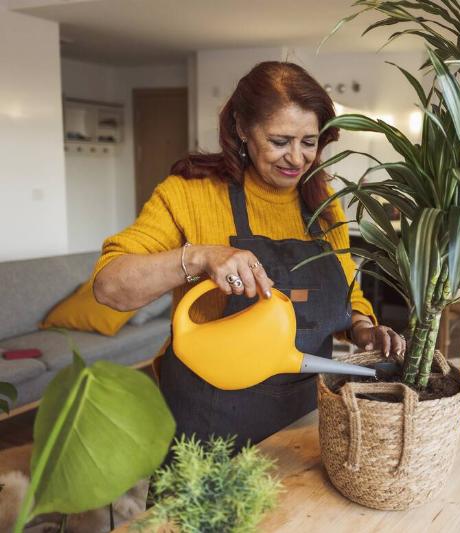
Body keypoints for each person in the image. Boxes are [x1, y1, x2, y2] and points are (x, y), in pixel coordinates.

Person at [92, 61, 405, 452]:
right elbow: (109, 287)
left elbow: (345, 291)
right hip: (209, 417)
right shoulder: (190, 193)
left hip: (302, 416)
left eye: (310, 142)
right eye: (280, 141)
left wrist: (362, 327)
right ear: (241, 128)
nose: (297, 158)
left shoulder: (323, 203)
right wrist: (201, 257)